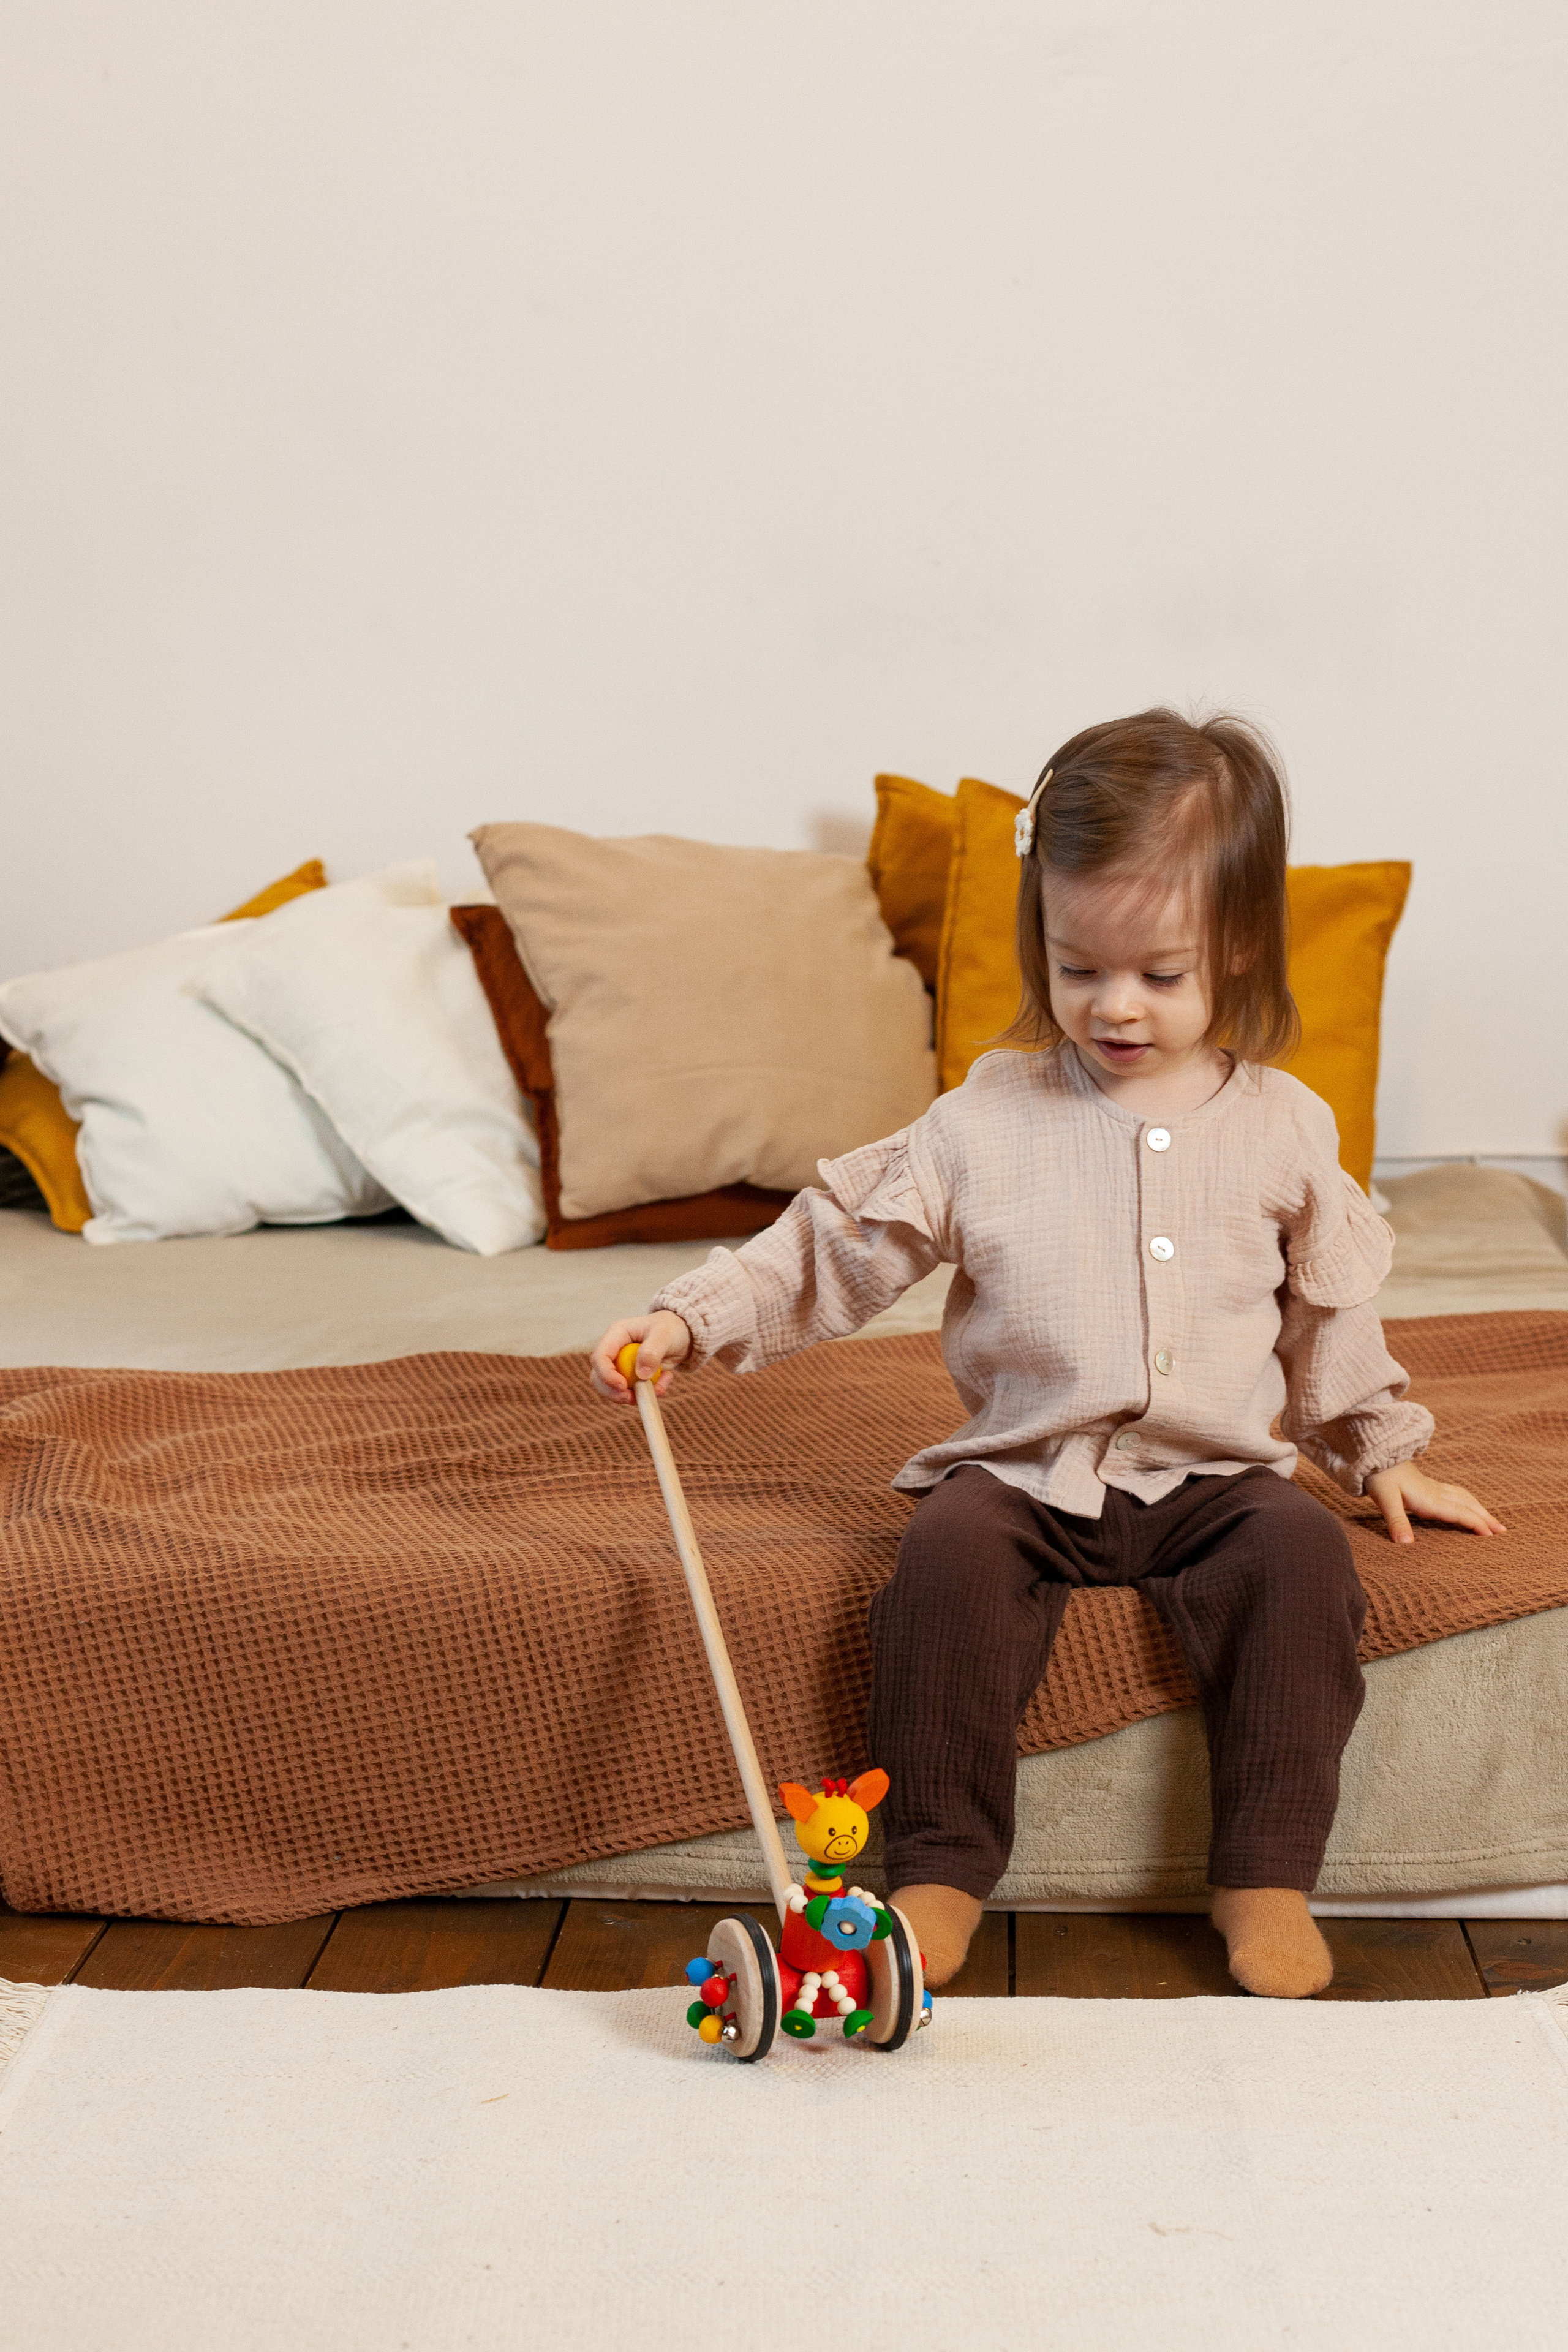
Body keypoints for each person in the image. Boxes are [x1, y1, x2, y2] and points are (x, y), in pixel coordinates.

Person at [589, 710, 1503, 1999]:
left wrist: (1376, 1453)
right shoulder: (986, 1117)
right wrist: (696, 1317)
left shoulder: (1284, 1125)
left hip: (1217, 1479)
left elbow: (1324, 1315)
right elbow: (840, 1242)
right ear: (1041, 943)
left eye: (1158, 975)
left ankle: (1261, 1879)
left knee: (1300, 1569)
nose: (1113, 1007)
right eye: (1079, 970)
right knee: (940, 1575)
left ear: (1235, 948)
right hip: (1022, 1473)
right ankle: (938, 1875)